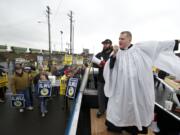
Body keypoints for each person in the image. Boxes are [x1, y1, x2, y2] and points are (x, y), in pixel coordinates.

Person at [103, 31, 180, 135]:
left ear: (129, 39)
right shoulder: (117, 53)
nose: (119, 41)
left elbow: (156, 46)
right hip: (121, 91)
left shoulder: (139, 49)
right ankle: (119, 127)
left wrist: (173, 42)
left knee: (135, 110)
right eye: (119, 38)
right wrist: (114, 56)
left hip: (137, 90)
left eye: (122, 39)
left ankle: (133, 129)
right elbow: (109, 68)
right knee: (120, 110)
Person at [92, 39, 113, 118]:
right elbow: (94, 63)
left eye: (106, 44)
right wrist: (98, 64)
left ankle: (110, 112)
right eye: (103, 44)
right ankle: (101, 110)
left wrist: (106, 64)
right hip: (101, 79)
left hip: (111, 80)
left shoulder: (113, 54)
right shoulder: (99, 54)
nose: (104, 45)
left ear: (110, 44)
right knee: (101, 96)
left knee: (110, 97)